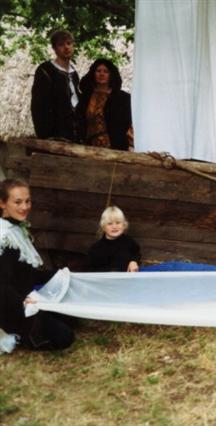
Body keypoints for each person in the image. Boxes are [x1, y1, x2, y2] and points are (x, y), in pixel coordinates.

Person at [0, 179, 75, 352]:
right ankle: (20, 335)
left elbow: (26, 274)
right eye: (18, 202)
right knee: (64, 337)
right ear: (2, 203)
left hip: (26, 296)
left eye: (27, 201)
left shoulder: (16, 229)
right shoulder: (3, 237)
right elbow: (1, 284)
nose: (24, 207)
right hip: (9, 306)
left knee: (71, 319)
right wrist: (21, 302)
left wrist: (57, 275)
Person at [31, 30, 82, 143]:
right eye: (61, 44)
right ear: (54, 48)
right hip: (55, 135)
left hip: (75, 135)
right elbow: (38, 106)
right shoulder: (45, 71)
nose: (66, 47)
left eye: (69, 43)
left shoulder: (74, 73)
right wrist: (46, 136)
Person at [79, 59, 134, 151]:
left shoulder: (123, 98)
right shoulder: (85, 97)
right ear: (93, 74)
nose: (102, 74)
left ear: (111, 75)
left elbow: (129, 123)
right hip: (88, 147)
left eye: (106, 71)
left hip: (116, 147)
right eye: (98, 71)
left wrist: (131, 145)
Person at [87, 206, 141, 272]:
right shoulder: (95, 249)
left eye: (118, 223)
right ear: (103, 227)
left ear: (124, 225)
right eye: (110, 224)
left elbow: (136, 253)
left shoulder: (129, 242)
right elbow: (90, 270)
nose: (114, 227)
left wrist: (133, 261)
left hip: (128, 277)